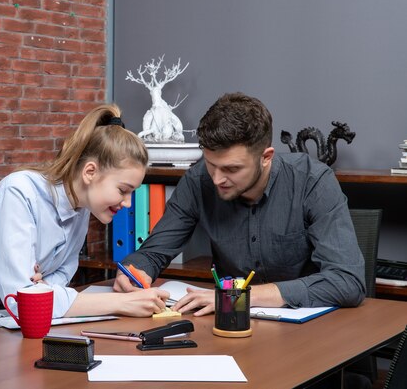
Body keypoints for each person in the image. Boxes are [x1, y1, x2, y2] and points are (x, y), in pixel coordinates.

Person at [114, 92, 366, 316]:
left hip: (309, 330)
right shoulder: (197, 180)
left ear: (266, 157)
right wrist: (136, 272)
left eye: (232, 169)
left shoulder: (313, 181)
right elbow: (154, 252)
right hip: (229, 325)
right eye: (211, 164)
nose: (216, 178)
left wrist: (241, 296)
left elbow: (347, 282)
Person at [0, 103, 169, 318]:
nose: (128, 203)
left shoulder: (82, 205)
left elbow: (63, 273)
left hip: (17, 324)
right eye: (123, 190)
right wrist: (123, 302)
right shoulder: (19, 192)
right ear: (90, 172)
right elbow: (21, 302)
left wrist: (42, 290)